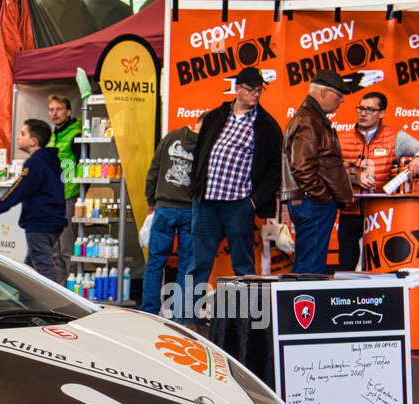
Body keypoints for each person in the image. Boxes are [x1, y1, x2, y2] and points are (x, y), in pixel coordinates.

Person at [189, 66, 282, 289]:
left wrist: (254, 201)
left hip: (238, 204)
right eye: (251, 89)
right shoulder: (215, 116)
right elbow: (200, 151)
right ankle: (186, 318)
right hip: (207, 202)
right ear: (238, 89)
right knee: (197, 263)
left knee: (243, 264)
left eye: (260, 90)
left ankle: (247, 322)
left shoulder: (266, 125)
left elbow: (276, 168)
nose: (256, 94)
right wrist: (196, 188)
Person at [283, 71, 355, 275]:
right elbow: (302, 167)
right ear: (323, 92)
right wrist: (323, 197)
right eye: (338, 95)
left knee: (307, 263)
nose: (341, 100)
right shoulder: (309, 119)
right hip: (312, 202)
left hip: (309, 200)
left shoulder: (310, 118)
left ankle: (296, 304)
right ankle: (302, 305)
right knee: (310, 267)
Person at [336, 91, 419, 269]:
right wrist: (353, 178)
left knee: (379, 266)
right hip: (349, 213)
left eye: (369, 109)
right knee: (347, 267)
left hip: (381, 216)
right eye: (360, 108)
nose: (363, 113)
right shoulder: (342, 139)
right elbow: (329, 172)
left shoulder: (395, 137)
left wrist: (417, 160)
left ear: (382, 113)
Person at [0, 118, 67, 284]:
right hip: (54, 221)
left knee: (43, 269)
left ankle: (53, 305)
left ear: (33, 141)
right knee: (31, 266)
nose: (18, 137)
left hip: (39, 222)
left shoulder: (34, 163)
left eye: (22, 134)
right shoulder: (52, 161)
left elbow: (16, 191)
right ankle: (25, 299)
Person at [143, 121, 199, 318]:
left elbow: (154, 170)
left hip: (164, 207)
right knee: (187, 265)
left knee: (155, 262)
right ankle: (180, 316)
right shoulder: (205, 144)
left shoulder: (171, 137)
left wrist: (151, 200)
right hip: (190, 211)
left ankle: (149, 311)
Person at [49, 94, 81, 275]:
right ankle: (58, 285)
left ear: (68, 112)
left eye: (59, 109)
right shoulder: (52, 136)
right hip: (52, 198)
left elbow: (83, 167)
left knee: (67, 246)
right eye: (52, 109)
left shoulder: (75, 135)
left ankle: (71, 285)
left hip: (69, 196)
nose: (55, 113)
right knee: (54, 247)